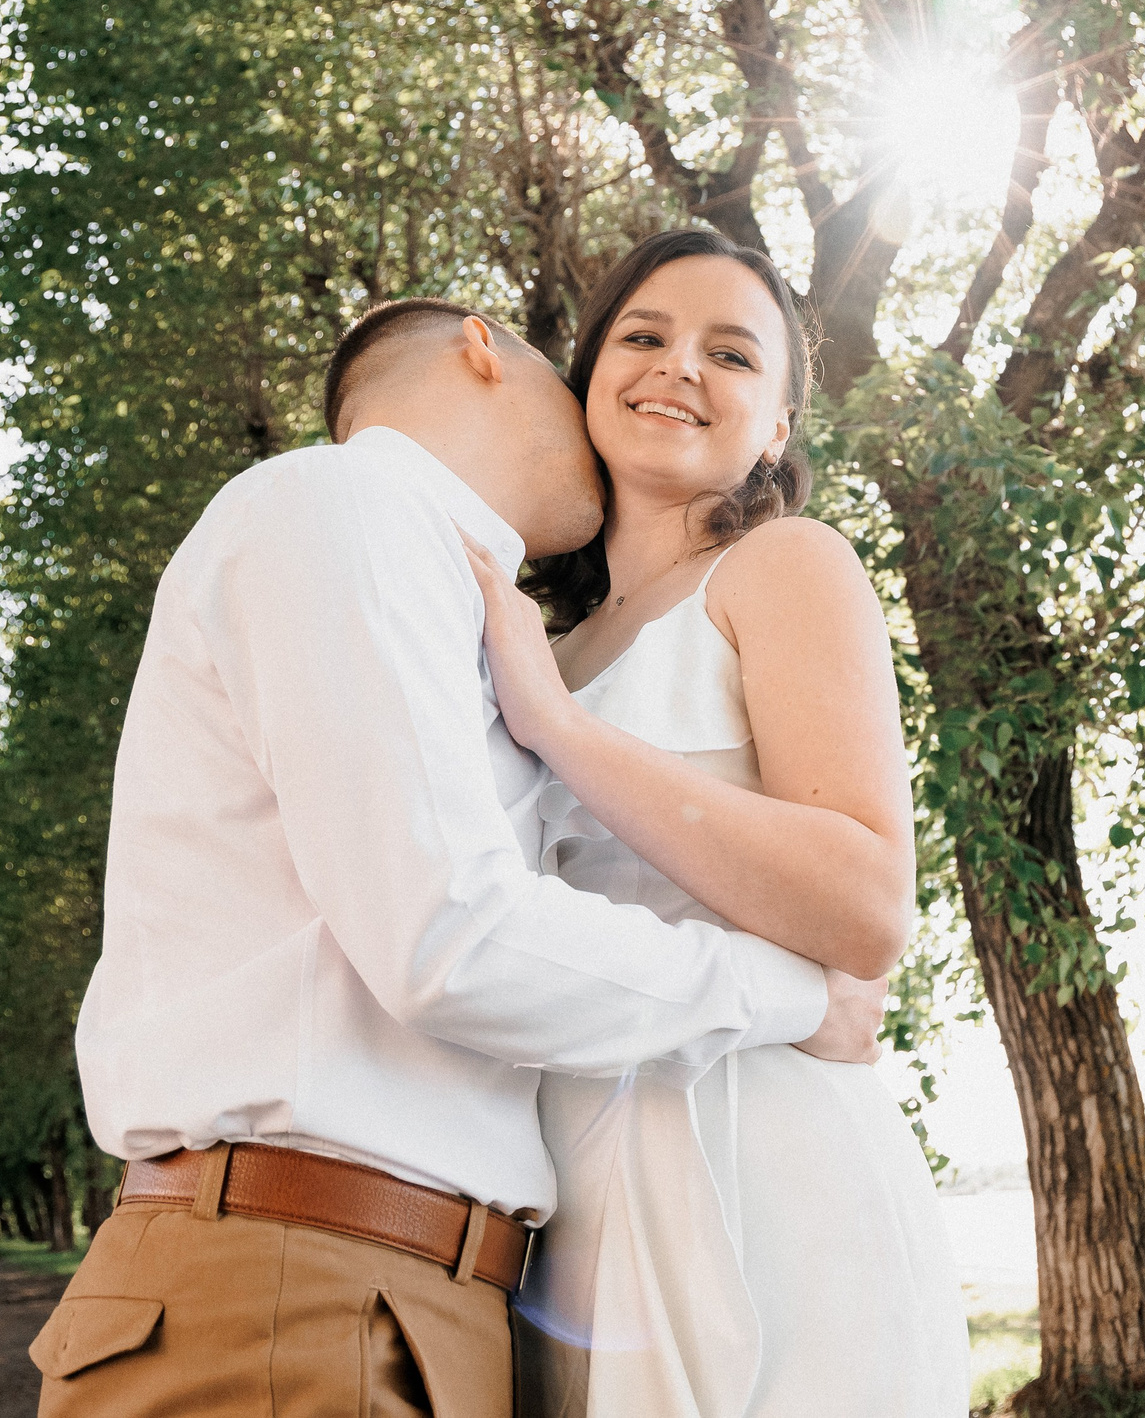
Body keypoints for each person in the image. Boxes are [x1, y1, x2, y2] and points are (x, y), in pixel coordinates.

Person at [27, 298, 884, 1416]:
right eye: (604, 359)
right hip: (291, 1286)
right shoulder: (342, 504)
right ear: (483, 350)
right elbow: (452, 937)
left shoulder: (452, 598)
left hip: (403, 1291)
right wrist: (789, 995)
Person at [463, 228, 970, 1417]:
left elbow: (865, 905)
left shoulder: (782, 568)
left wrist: (560, 729)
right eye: (642, 336)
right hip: (561, 1193)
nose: (678, 365)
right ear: (588, 379)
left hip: (761, 1168)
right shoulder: (535, 644)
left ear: (776, 428)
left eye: (731, 353)